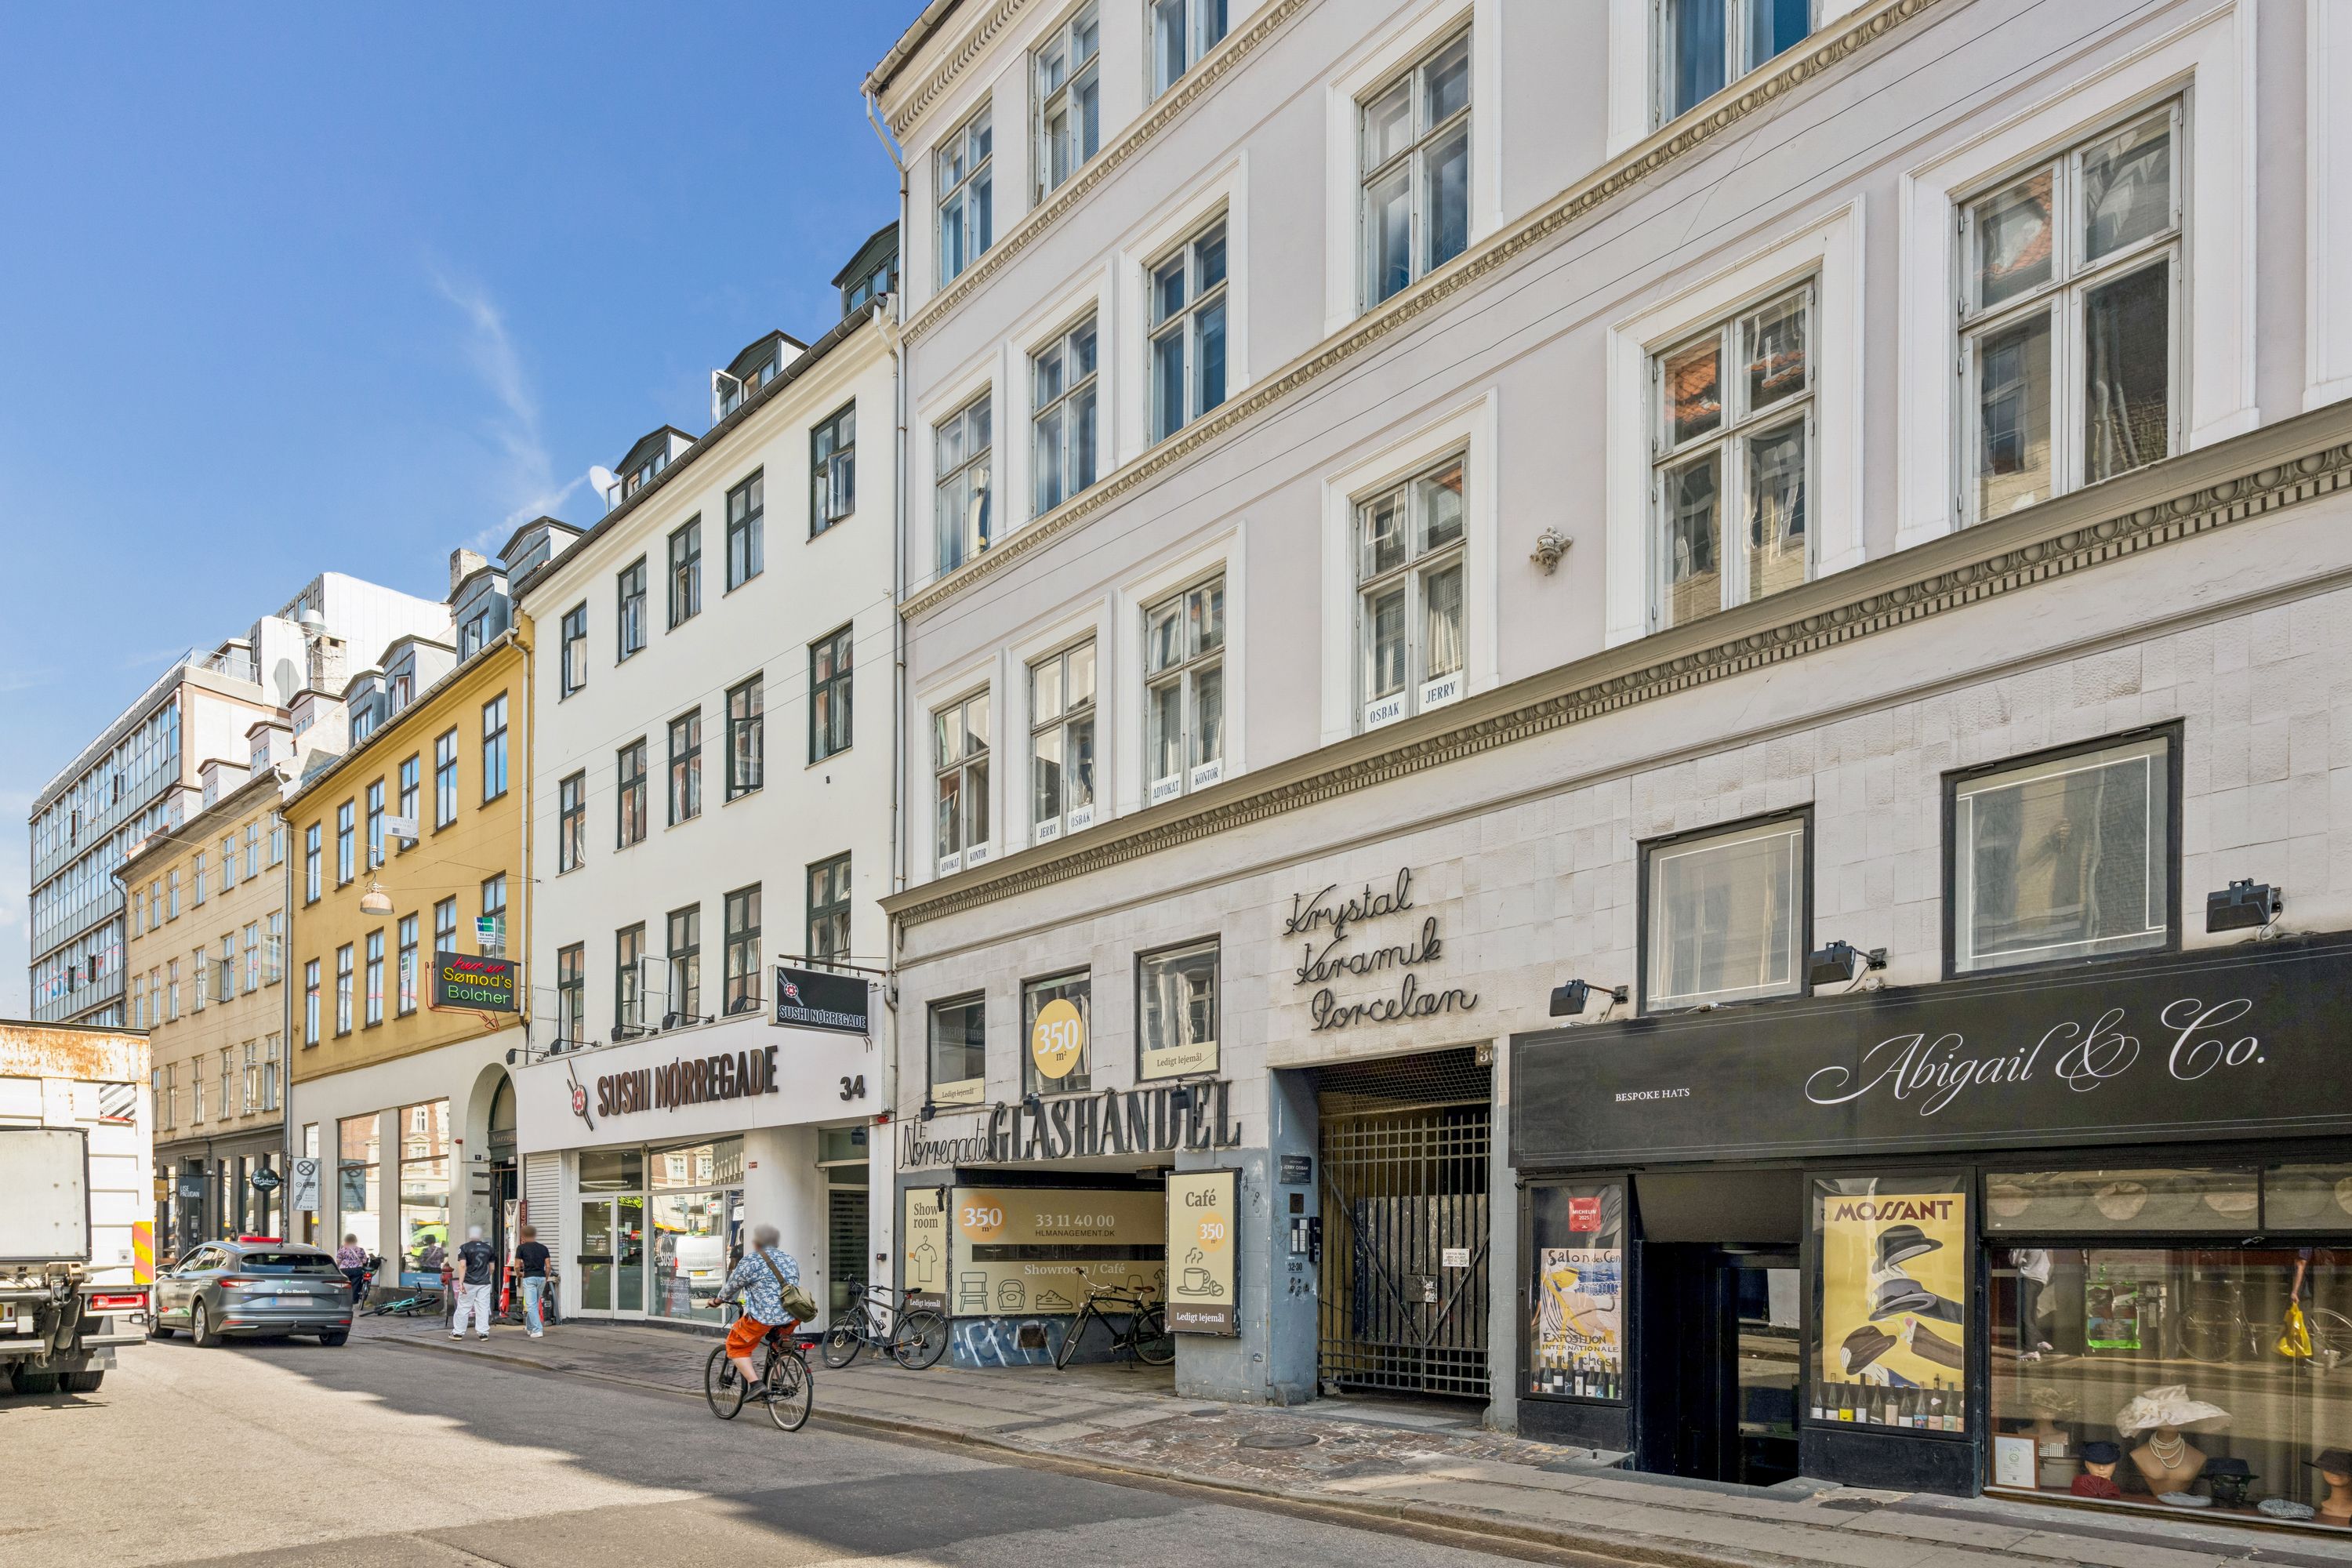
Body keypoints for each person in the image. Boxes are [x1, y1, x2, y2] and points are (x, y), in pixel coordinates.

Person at [721, 1225, 802, 1398]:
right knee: (779, 1343)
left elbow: (732, 1285)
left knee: (736, 1345)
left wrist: (717, 1300)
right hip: (793, 1315)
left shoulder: (752, 1260)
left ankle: (756, 1385)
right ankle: (775, 1382)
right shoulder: (789, 1259)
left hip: (763, 1317)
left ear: (757, 1243)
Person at [451, 1225, 497, 1340]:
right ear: (480, 1235)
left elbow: (462, 1265)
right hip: (484, 1282)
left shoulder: (464, 1247)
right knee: (483, 1307)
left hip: (469, 1282)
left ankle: (458, 1333)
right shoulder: (489, 1249)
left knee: (464, 1307)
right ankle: (483, 1333)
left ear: (470, 1235)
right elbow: (492, 1268)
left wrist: (461, 1282)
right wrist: (486, 1277)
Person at [513, 1225, 551, 1338]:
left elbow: (516, 1265)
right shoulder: (543, 1248)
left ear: (523, 1236)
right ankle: (530, 1328)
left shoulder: (521, 1248)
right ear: (535, 1235)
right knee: (534, 1303)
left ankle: (537, 1329)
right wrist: (546, 1277)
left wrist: (519, 1274)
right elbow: (548, 1266)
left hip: (529, 1278)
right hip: (541, 1278)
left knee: (531, 1305)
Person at [335, 1234, 368, 1304]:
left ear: (346, 1240)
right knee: (355, 1286)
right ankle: (353, 1300)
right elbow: (365, 1260)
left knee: (344, 1285)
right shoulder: (360, 1250)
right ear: (355, 1240)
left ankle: (343, 1300)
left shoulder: (342, 1249)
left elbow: (338, 1260)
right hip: (357, 1269)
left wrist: (340, 1266)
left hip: (344, 1270)